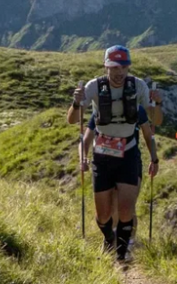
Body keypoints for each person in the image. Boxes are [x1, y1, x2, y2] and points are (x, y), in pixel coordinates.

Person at [68, 44, 162, 259]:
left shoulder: (138, 87)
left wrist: (158, 103)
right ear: (106, 67)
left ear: (128, 68)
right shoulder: (94, 87)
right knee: (103, 216)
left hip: (128, 155)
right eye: (114, 67)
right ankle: (108, 238)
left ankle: (122, 252)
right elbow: (73, 120)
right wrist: (75, 101)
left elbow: (154, 122)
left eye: (123, 67)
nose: (119, 72)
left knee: (127, 209)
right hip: (102, 157)